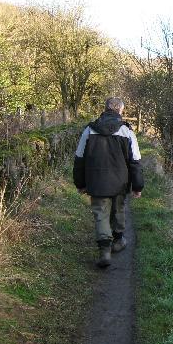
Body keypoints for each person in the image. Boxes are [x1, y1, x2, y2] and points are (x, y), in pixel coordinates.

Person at [73, 97, 144, 268]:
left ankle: (105, 251)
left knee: (100, 214)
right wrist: (137, 186)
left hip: (96, 181)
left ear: (104, 109)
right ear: (120, 111)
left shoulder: (89, 130)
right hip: (120, 181)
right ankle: (118, 242)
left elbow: (79, 159)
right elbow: (135, 161)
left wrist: (80, 183)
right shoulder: (127, 132)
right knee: (118, 209)